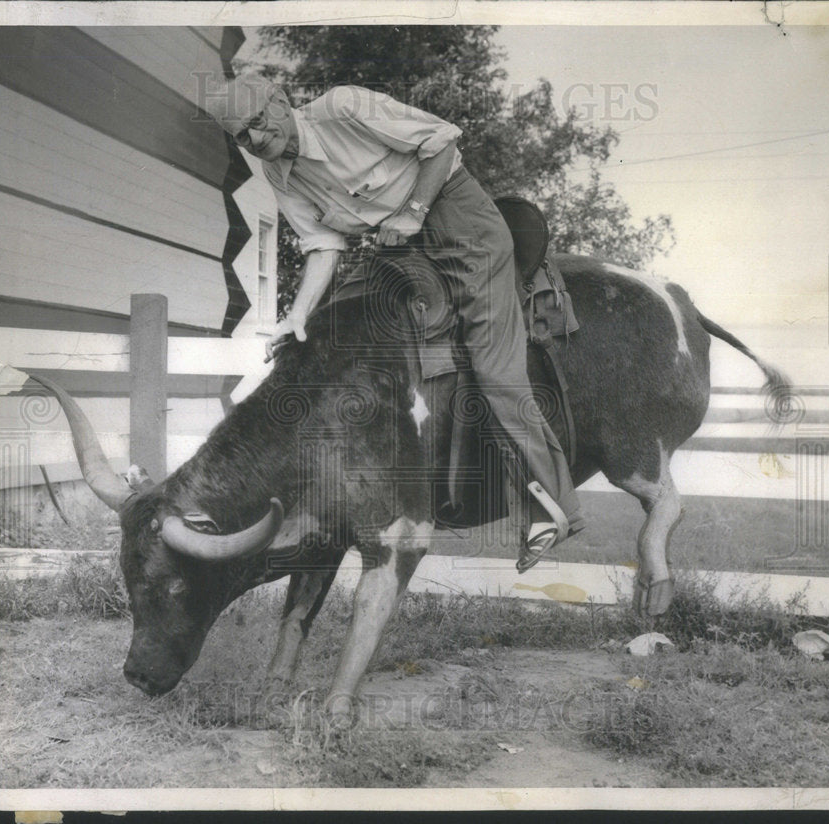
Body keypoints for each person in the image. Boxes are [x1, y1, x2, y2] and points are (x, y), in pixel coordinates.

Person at [204, 74, 583, 571]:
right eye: (241, 136)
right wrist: (295, 317)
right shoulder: (279, 174)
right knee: (334, 336)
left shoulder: (341, 107)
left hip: (460, 224)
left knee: (495, 372)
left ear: (281, 100)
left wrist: (415, 209)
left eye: (257, 122)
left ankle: (555, 510)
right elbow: (323, 246)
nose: (255, 140)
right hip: (399, 247)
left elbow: (442, 140)